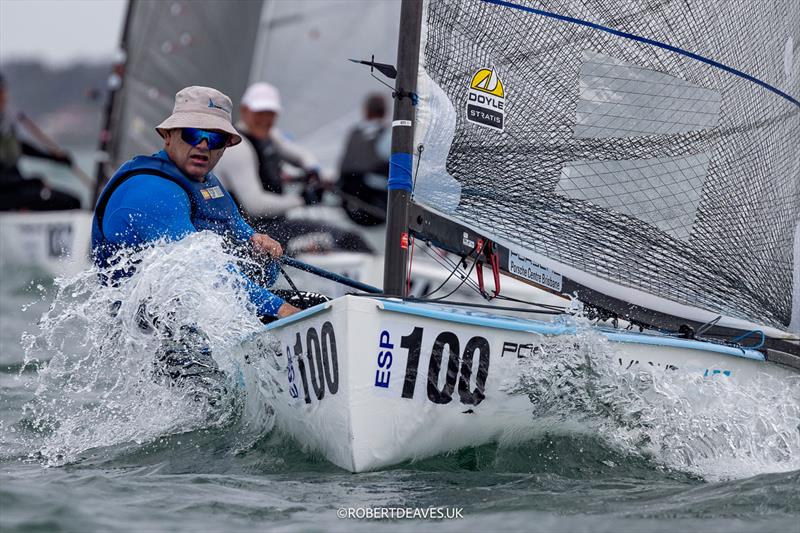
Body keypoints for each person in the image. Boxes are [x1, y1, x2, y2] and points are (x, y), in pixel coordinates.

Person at [91, 85, 302, 320]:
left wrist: (265, 251)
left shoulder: (207, 182)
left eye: (215, 138)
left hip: (194, 307)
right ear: (168, 136)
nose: (203, 145)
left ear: (225, 147)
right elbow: (203, 268)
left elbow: (256, 267)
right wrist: (280, 309)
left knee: (316, 303)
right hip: (146, 330)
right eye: (192, 134)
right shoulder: (150, 192)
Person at [215, 82, 371, 254]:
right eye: (260, 113)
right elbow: (256, 206)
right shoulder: (237, 148)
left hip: (275, 227)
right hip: (251, 235)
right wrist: (302, 200)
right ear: (244, 110)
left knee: (351, 238)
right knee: (345, 239)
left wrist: (313, 171)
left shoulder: (270, 134)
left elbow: (300, 156)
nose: (265, 119)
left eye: (270, 113)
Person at [0, 71, 82, 211]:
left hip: (14, 188)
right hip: (6, 194)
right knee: (69, 203)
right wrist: (29, 182)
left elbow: (20, 147)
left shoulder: (5, 125)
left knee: (73, 201)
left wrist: (54, 158)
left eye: (3, 91)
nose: (3, 97)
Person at [338, 92, 391, 226]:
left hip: (349, 204)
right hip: (375, 207)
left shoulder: (354, 133)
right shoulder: (389, 135)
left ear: (365, 110)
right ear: (385, 112)